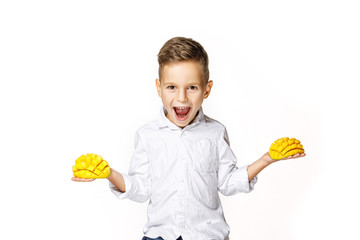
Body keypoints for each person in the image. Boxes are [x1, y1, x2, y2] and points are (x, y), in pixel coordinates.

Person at [72, 37, 306, 240]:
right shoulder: (147, 135)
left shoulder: (215, 132)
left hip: (208, 235)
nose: (181, 97)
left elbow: (226, 183)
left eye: (192, 87)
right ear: (159, 88)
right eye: (172, 87)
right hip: (159, 235)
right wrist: (108, 173)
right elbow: (141, 188)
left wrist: (266, 159)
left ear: (206, 89)